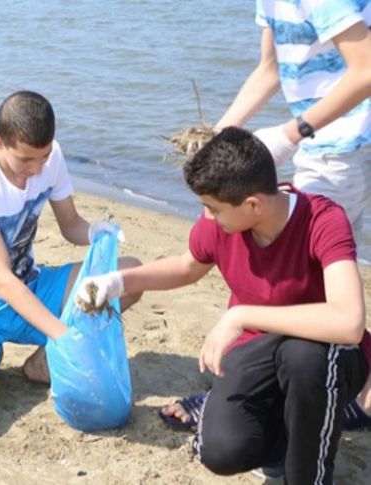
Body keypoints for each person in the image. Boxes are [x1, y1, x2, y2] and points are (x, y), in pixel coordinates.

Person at [76, 127, 368, 482]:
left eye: (213, 209)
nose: (207, 217)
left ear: (253, 205)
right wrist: (118, 281)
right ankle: (306, 426)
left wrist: (241, 314)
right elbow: (186, 266)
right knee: (222, 452)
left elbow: (349, 322)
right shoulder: (222, 223)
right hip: (255, 352)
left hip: (326, 354)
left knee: (301, 356)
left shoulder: (323, 220)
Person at [166, 0, 371, 433]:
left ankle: (251, 397)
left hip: (348, 143)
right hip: (320, 137)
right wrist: (220, 136)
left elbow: (366, 69)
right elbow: (271, 69)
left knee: (301, 276)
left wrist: (292, 133)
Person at [0, 91, 141, 441]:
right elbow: (0, 279)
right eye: (26, 160)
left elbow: (70, 224)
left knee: (129, 275)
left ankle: (42, 363)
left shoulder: (50, 157)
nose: (36, 170)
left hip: (32, 286)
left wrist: (94, 232)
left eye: (43, 158)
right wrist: (64, 335)